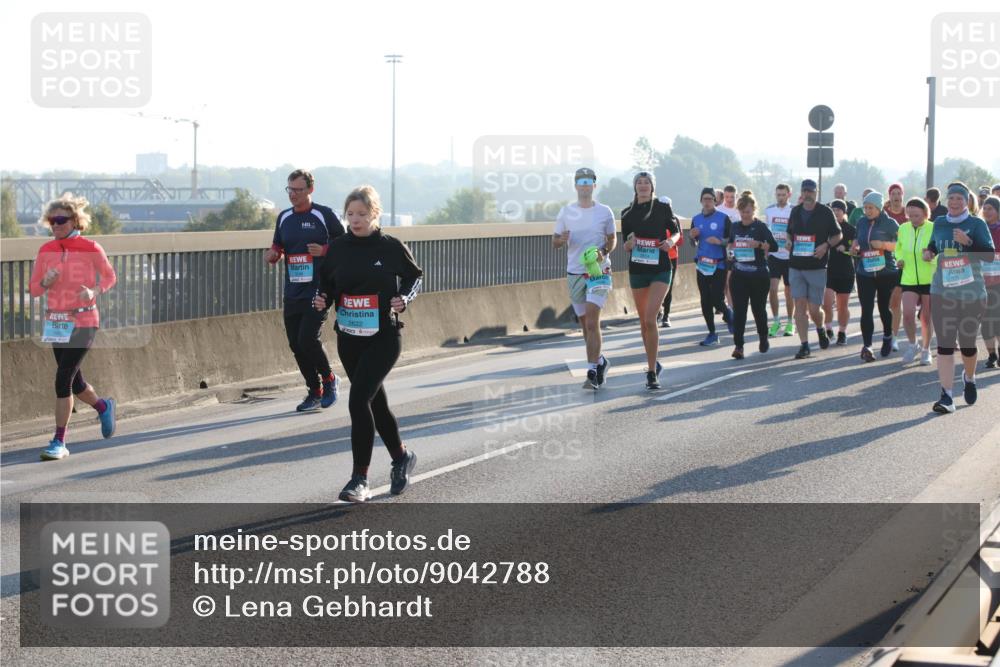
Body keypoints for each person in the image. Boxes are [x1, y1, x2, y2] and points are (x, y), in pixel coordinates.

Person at [313, 185, 423, 502]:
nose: (355, 220)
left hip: (384, 337)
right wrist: (322, 300)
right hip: (349, 338)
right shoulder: (337, 249)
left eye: (362, 214)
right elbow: (328, 286)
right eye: (350, 214)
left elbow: (415, 277)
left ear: (374, 214)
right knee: (375, 402)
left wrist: (404, 298)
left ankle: (359, 479)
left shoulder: (390, 247)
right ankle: (402, 457)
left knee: (358, 399)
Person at [29, 194, 118, 461]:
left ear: (75, 220)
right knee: (75, 383)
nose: (55, 225)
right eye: (51, 221)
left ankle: (59, 441)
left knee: (63, 378)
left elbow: (110, 276)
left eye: (60, 220)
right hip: (57, 322)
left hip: (85, 320)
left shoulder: (91, 247)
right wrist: (45, 281)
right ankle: (103, 406)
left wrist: (94, 291)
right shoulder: (46, 251)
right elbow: (33, 290)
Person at [265, 169, 344, 412]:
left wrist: (325, 251)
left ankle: (330, 380)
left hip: (320, 288)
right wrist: (273, 254)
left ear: (310, 189)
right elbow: (277, 245)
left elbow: (346, 244)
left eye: (298, 190)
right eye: (290, 189)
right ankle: (314, 391)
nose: (293, 195)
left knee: (307, 338)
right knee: (295, 344)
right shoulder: (284, 217)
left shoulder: (324, 214)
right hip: (293, 290)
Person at [924, 182, 995, 414]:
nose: (954, 202)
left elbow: (988, 255)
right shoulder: (940, 222)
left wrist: (968, 243)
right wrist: (929, 252)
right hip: (942, 290)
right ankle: (946, 396)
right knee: (944, 345)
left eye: (959, 199)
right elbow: (935, 244)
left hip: (971, 293)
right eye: (951, 198)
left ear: (967, 201)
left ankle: (970, 377)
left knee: (967, 345)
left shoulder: (977, 223)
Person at [553, 167, 617, 390]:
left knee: (592, 321)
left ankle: (591, 370)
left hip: (598, 272)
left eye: (588, 181)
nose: (584, 184)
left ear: (594, 185)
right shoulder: (566, 212)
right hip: (575, 273)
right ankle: (600, 361)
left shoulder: (604, 211)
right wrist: (561, 239)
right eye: (580, 180)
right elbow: (555, 242)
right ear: (575, 185)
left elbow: (612, 239)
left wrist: (605, 252)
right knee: (584, 325)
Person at [621, 172, 679, 389]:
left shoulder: (662, 208)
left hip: (661, 269)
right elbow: (625, 244)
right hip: (638, 269)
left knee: (650, 317)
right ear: (635, 187)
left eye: (647, 183)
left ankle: (652, 373)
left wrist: (670, 242)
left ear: (653, 187)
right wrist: (630, 243)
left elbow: (675, 232)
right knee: (644, 322)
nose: (643, 186)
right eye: (639, 182)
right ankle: (652, 361)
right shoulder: (627, 213)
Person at [786, 179, 843, 358]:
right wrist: (788, 240)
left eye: (811, 191)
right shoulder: (795, 211)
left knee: (814, 309)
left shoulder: (825, 212)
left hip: (817, 267)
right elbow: (789, 231)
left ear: (816, 192)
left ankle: (820, 328)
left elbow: (838, 234)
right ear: (801, 193)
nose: (808, 194)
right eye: (805, 191)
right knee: (800, 306)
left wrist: (826, 245)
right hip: (796, 265)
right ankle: (804, 345)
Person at [727, 190, 778, 359]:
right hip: (739, 274)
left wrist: (759, 244)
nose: (745, 215)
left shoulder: (761, 227)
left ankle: (763, 337)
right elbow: (730, 244)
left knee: (758, 309)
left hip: (758, 275)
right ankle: (739, 347)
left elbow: (774, 246)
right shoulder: (734, 226)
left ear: (754, 211)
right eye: (742, 212)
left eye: (748, 212)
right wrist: (730, 250)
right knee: (739, 312)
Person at [852, 191, 900, 362]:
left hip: (886, 272)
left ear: (879, 207)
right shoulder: (861, 222)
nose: (867, 211)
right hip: (864, 271)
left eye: (871, 207)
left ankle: (887, 336)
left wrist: (884, 245)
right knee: (866, 309)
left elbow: (900, 245)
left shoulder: (890, 223)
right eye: (865, 208)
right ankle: (867, 346)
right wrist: (855, 246)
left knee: (883, 308)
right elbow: (857, 239)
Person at [690, 187, 733, 346]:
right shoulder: (696, 219)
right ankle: (712, 333)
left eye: (710, 199)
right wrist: (691, 237)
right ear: (701, 201)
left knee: (716, 297)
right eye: (704, 199)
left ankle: (729, 316)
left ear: (715, 201)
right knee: (705, 300)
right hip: (702, 264)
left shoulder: (724, 218)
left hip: (719, 264)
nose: (707, 202)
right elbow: (693, 243)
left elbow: (731, 240)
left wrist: (720, 242)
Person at [896, 197, 936, 365]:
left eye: (917, 215)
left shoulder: (934, 228)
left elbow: (940, 250)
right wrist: (898, 259)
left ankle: (926, 349)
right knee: (907, 315)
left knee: (926, 318)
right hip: (909, 277)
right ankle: (913, 345)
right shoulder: (903, 228)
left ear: (926, 214)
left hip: (929, 278)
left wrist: (931, 258)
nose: (913, 219)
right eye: (910, 215)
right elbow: (898, 248)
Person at [822, 199, 856, 346]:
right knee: (826, 303)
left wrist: (847, 250)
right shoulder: (825, 229)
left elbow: (857, 252)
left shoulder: (850, 229)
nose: (836, 213)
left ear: (844, 212)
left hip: (846, 271)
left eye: (838, 210)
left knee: (843, 305)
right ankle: (828, 328)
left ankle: (842, 332)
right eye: (833, 210)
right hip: (829, 270)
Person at [765, 184, 796, 338]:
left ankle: (790, 322)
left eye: (783, 195)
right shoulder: (769, 210)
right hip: (774, 255)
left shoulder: (794, 210)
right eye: (778, 195)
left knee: (789, 291)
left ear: (789, 195)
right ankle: (776, 320)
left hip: (790, 256)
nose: (780, 197)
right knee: (772, 288)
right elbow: (767, 230)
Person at [883, 183, 907, 350]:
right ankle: (888, 333)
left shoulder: (908, 214)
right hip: (884, 263)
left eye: (899, 193)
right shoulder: (883, 215)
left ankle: (895, 338)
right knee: (887, 303)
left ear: (902, 196)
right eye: (893, 193)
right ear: (889, 196)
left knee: (896, 302)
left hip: (902, 264)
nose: (896, 196)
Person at [658, 195, 684, 328]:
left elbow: (680, 240)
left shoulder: (675, 220)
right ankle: (658, 311)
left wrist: (670, 240)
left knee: (668, 286)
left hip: (672, 257)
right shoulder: (654, 219)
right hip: (656, 257)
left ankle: (666, 315)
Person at [980, 196, 1000, 368]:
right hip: (981, 281)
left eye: (990, 209)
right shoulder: (978, 228)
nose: (986, 211)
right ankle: (991, 354)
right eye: (984, 208)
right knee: (986, 321)